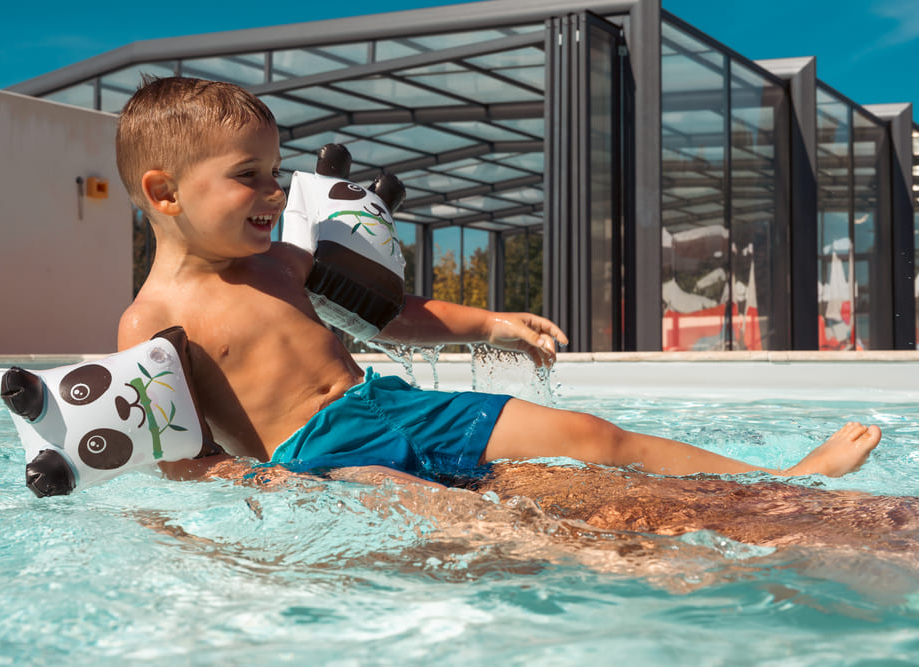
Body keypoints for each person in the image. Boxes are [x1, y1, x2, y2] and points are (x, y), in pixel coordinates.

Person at [115, 76, 881, 486]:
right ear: (164, 192)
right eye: (249, 175)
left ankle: (782, 478)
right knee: (482, 525)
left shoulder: (285, 263)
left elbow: (391, 314)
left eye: (276, 171)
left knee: (592, 435)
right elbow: (182, 462)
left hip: (388, 402)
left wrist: (492, 325)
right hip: (320, 456)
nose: (277, 191)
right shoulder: (150, 322)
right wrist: (266, 488)